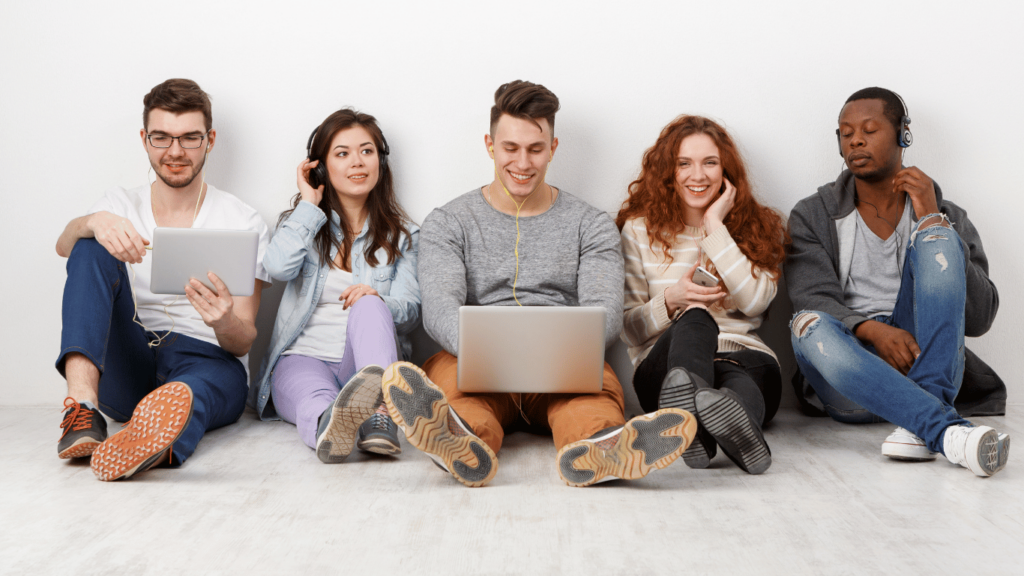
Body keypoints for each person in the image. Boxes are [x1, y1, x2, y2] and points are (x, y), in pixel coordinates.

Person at [380, 80, 697, 488]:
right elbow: (440, 310)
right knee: (461, 400)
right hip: (474, 363)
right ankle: (461, 444)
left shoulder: (592, 224)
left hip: (563, 364)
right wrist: (500, 353)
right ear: (490, 145)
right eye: (511, 148)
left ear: (553, 147)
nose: (523, 162)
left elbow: (605, 315)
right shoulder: (449, 222)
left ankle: (603, 448)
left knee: (591, 400)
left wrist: (544, 354)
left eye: (535, 148)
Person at [787, 87, 1009, 477]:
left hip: (924, 362)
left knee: (937, 238)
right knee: (806, 325)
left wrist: (930, 215)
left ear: (903, 134)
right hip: (852, 374)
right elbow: (813, 295)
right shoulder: (812, 214)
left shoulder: (947, 213)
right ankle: (943, 429)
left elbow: (979, 318)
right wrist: (873, 331)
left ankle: (922, 421)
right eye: (845, 132)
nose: (855, 139)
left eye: (870, 130)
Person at [55, 79, 270, 481]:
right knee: (89, 245)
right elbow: (64, 248)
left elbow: (243, 340)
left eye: (190, 138)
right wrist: (92, 222)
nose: (175, 151)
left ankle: (156, 439)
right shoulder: (119, 204)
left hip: (206, 360)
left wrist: (223, 320)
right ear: (145, 139)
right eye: (162, 138)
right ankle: (81, 409)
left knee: (196, 390)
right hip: (131, 357)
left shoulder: (244, 221)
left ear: (210, 140)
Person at [617, 115, 787, 475]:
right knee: (695, 316)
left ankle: (710, 424)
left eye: (710, 163)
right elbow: (628, 329)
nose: (698, 175)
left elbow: (756, 301)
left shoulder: (759, 227)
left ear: (726, 170)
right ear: (668, 171)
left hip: (742, 356)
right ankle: (689, 414)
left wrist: (714, 227)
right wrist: (673, 300)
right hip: (663, 369)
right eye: (684, 164)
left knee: (735, 386)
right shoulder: (638, 231)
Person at [250, 109, 419, 463]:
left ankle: (379, 415)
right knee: (315, 401)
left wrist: (380, 300)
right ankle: (331, 426)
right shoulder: (303, 225)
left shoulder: (404, 237)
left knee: (370, 304)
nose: (357, 162)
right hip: (302, 359)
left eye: (367, 151)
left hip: (363, 363)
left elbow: (411, 311)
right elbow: (276, 267)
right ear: (322, 167)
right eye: (342, 153)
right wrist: (310, 206)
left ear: (380, 162)